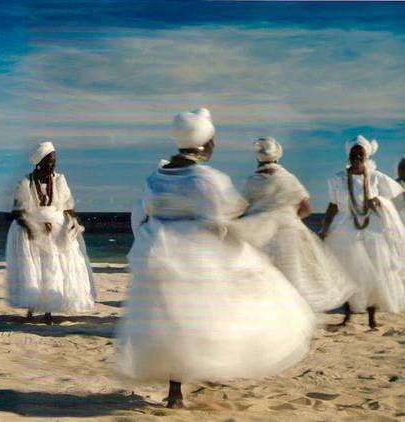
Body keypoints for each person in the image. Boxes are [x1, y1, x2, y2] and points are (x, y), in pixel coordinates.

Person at [117, 108, 315, 409]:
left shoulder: (155, 177)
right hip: (198, 258)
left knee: (172, 323)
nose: (214, 145)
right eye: (213, 140)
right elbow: (227, 215)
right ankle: (198, 378)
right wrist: (269, 216)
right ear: (205, 143)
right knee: (208, 320)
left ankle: (175, 392)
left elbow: (150, 210)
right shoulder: (207, 178)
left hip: (161, 255)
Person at [234, 137, 355, 312]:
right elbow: (307, 208)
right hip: (289, 235)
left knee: (263, 281)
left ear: (258, 158)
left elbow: (240, 209)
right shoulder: (288, 178)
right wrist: (288, 217)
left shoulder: (251, 181)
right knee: (293, 281)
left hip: (260, 235)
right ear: (278, 156)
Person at [319, 136, 405, 329]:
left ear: (367, 155)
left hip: (372, 230)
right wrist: (325, 227)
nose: (357, 155)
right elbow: (333, 205)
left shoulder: (376, 177)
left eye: (360, 152)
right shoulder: (337, 179)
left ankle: (371, 317)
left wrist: (379, 202)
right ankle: (348, 315)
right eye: (354, 152)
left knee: (374, 272)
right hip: (344, 229)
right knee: (347, 271)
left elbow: (397, 197)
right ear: (348, 155)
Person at [5, 142, 95, 325]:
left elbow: (68, 207)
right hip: (32, 231)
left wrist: (73, 223)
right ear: (39, 163)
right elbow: (18, 212)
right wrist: (33, 226)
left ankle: (48, 310)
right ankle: (32, 307)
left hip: (57, 230)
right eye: (49, 162)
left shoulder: (60, 180)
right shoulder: (26, 183)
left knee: (53, 268)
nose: (52, 166)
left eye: (54, 162)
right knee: (35, 270)